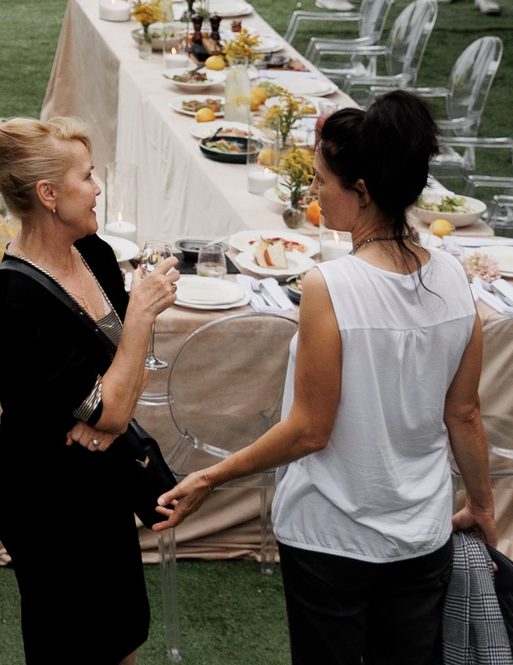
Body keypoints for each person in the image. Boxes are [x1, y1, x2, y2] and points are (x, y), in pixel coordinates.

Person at [154, 94, 493, 665]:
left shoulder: (328, 286)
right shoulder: (457, 280)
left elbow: (312, 429)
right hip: (422, 534)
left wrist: (211, 478)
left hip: (331, 537)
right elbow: (464, 414)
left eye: (320, 182)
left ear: (361, 190)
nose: (312, 193)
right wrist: (482, 505)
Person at [0, 116, 179, 664]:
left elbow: (122, 385)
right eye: (87, 177)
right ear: (48, 193)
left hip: (101, 480)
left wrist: (104, 412)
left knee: (122, 636)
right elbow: (115, 405)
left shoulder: (92, 253)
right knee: (69, 646)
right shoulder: (14, 300)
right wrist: (139, 316)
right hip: (46, 498)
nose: (97, 190)